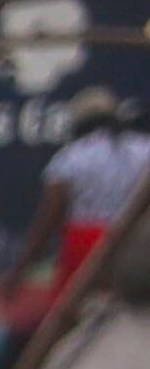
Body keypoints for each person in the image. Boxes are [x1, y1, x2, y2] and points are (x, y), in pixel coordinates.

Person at [22, 85, 148, 287]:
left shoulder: (69, 157)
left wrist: (20, 269)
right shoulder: (143, 149)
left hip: (84, 244)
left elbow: (49, 217)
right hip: (135, 240)